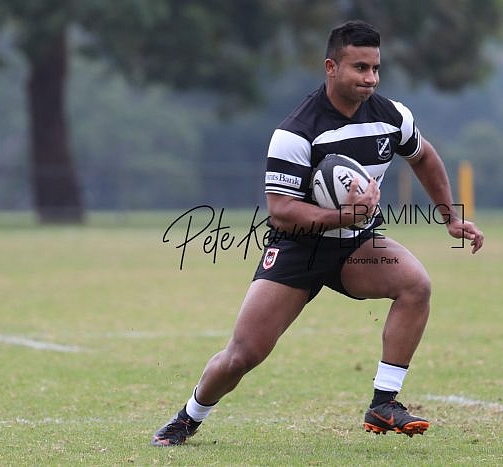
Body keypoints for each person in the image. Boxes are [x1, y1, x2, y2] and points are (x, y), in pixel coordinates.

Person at [151, 20, 484, 446]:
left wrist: (450, 216)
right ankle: (188, 417)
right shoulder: (296, 132)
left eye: (375, 69)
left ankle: (384, 403)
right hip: (298, 249)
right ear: (331, 67)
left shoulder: (392, 117)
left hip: (357, 246)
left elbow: (423, 156)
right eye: (359, 68)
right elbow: (281, 212)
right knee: (243, 355)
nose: (370, 79)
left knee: (416, 285)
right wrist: (344, 216)